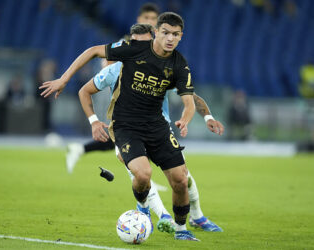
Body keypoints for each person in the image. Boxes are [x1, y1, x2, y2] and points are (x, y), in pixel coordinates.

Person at [40, 13, 222, 241]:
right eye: (165, 32)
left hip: (157, 126)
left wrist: (186, 119)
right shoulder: (134, 49)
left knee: (180, 178)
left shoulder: (179, 65)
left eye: (175, 35)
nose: (169, 38)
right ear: (156, 31)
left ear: (180, 37)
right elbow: (93, 51)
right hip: (125, 125)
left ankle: (181, 228)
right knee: (143, 174)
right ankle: (143, 204)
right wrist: (64, 79)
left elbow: (188, 100)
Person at [66, 2, 161, 171]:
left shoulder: (157, 48)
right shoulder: (126, 43)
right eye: (147, 18)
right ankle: (145, 183)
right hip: (124, 101)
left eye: (154, 18)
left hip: (148, 105)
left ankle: (80, 149)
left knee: (119, 142)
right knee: (127, 140)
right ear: (139, 19)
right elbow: (106, 62)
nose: (151, 21)